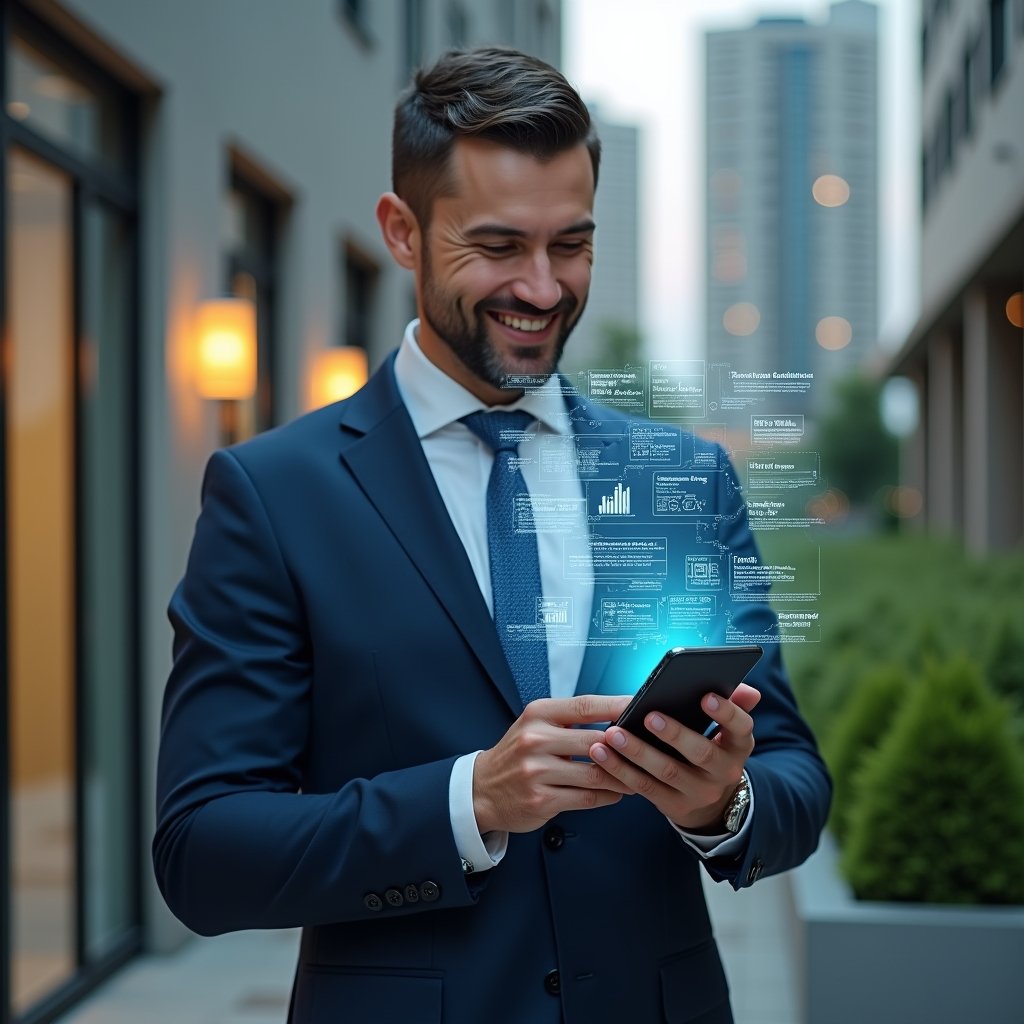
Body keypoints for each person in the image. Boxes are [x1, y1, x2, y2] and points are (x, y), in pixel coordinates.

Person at [154, 46, 830, 1024]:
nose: (544, 289)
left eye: (572, 245)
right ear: (402, 232)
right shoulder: (274, 494)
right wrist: (468, 800)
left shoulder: (683, 480)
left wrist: (718, 804)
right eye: (500, 246)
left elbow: (796, 778)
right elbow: (203, 850)